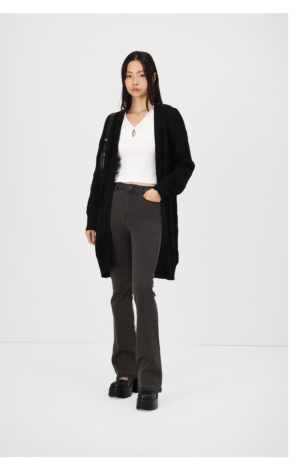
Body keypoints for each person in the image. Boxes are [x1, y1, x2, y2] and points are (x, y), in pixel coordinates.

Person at [85, 51, 195, 411]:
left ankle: (150, 380)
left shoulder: (167, 117)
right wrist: (92, 217)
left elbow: (185, 164)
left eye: (141, 74)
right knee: (119, 291)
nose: (134, 81)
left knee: (142, 289)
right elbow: (102, 171)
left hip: (148, 207)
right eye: (129, 75)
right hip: (114, 206)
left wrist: (160, 191)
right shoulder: (113, 122)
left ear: (153, 78)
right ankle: (125, 372)